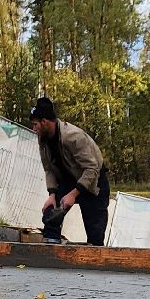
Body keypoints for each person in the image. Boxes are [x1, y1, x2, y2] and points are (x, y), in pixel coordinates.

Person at [29, 96, 110, 246]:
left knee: (95, 233)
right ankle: (50, 248)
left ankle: (94, 256)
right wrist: (52, 195)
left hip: (93, 182)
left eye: (35, 125)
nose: (34, 129)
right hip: (68, 180)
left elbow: (91, 169)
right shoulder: (43, 139)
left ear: (44, 122)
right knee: (50, 213)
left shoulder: (73, 137)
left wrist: (73, 195)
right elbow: (49, 169)